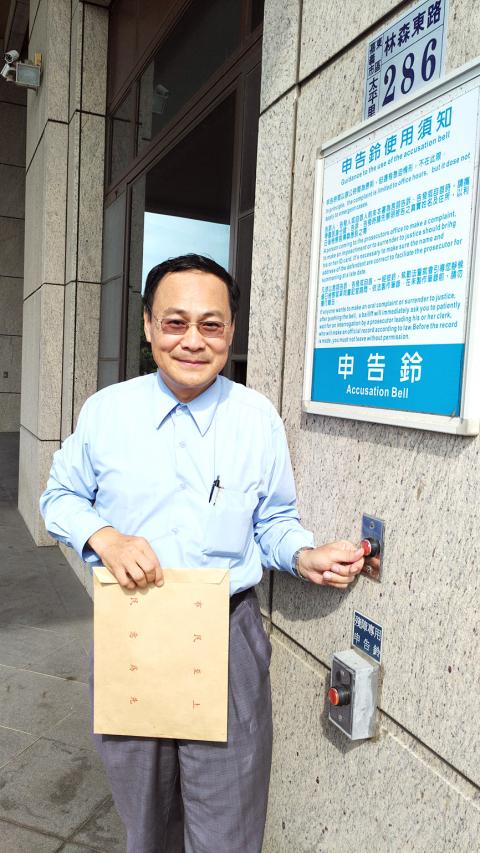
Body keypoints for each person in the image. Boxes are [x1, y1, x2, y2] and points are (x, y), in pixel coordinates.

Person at [40, 254, 364, 853]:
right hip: (132, 629)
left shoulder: (256, 419)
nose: (193, 341)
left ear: (231, 330)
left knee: (229, 824)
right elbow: (58, 498)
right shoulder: (107, 412)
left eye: (211, 325)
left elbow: (272, 521)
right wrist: (104, 537)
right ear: (148, 325)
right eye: (175, 322)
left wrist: (303, 556)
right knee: (145, 820)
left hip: (227, 634)